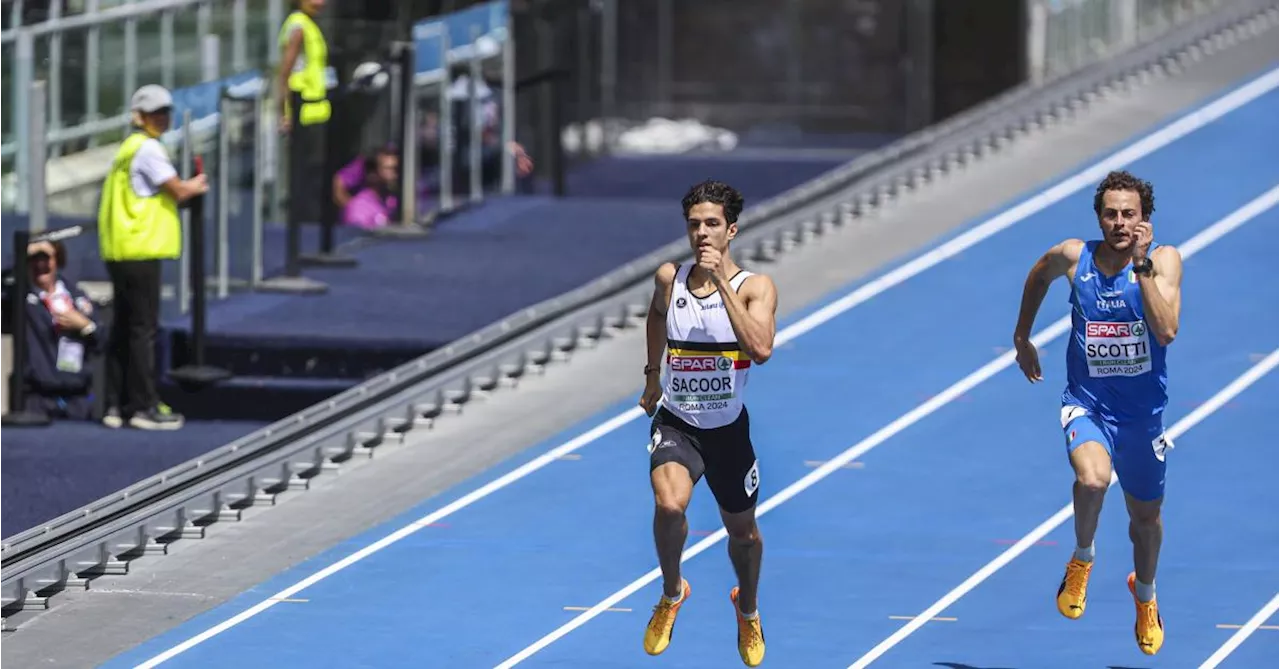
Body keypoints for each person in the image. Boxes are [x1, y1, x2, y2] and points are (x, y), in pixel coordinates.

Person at [1012, 170, 1181, 655]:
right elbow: (1038, 272)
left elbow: (1166, 330)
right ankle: (1082, 559)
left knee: (1145, 521)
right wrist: (1023, 336)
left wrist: (1143, 266)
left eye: (1129, 214)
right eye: (1111, 213)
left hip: (1142, 418)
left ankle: (1145, 596)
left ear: (1144, 220)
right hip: (1087, 405)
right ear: (1099, 217)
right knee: (1092, 481)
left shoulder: (1164, 261)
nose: (1120, 222)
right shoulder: (1075, 257)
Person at [637, 180, 778, 667]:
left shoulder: (754, 287)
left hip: (727, 432)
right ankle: (673, 592)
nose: (701, 233)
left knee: (744, 535)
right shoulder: (669, 279)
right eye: (694, 224)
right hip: (677, 422)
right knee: (669, 504)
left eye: (711, 224)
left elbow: (759, 349)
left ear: (731, 230)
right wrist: (653, 374)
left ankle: (749, 606)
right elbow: (656, 317)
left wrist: (720, 282)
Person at [98, 84, 208, 429]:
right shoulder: (149, 149)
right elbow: (177, 189)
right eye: (156, 113)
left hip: (121, 248)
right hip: (141, 248)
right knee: (143, 329)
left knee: (124, 327)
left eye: (165, 112)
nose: (163, 119)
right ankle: (144, 406)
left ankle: (116, 404)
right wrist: (198, 183)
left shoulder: (127, 148)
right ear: (140, 116)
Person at [15, 239, 102, 421]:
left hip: (79, 399)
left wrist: (85, 326)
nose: (40, 265)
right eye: (33, 259)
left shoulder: (77, 297)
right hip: (38, 400)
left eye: (45, 258)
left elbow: (103, 340)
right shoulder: (21, 298)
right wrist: (23, 251)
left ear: (57, 260)